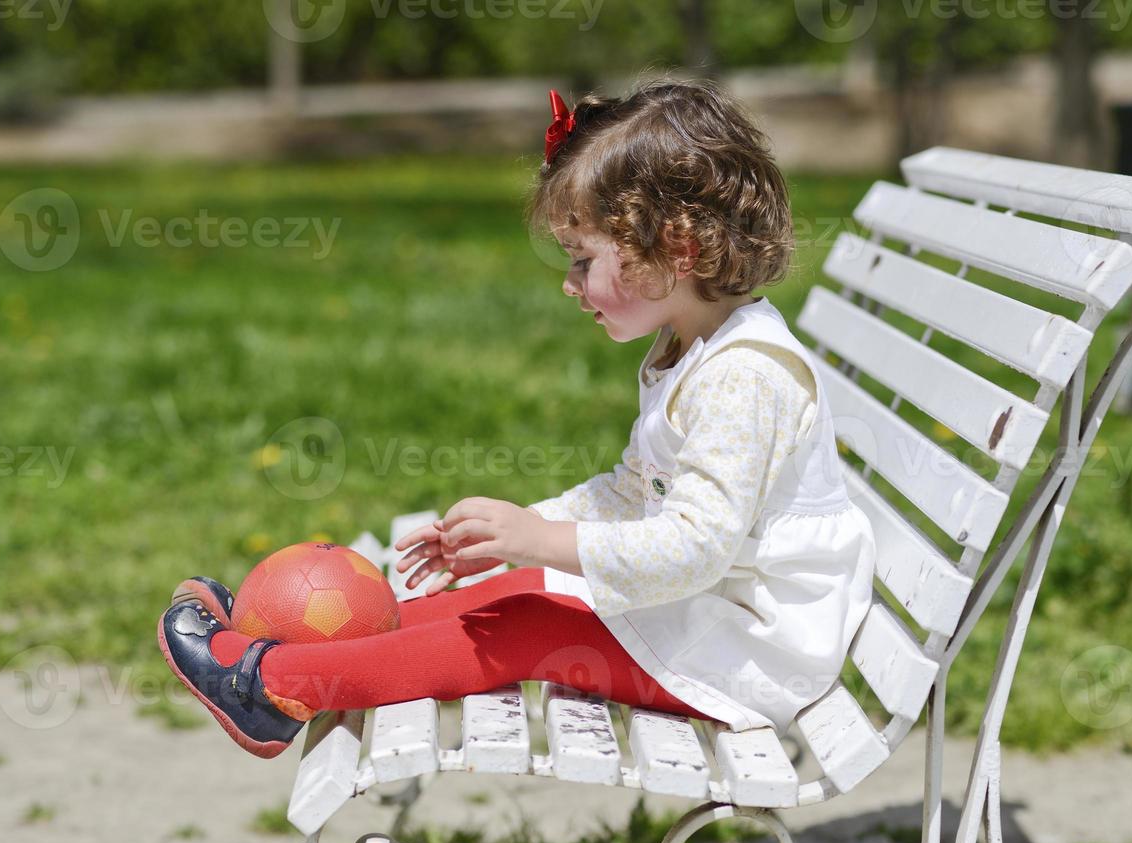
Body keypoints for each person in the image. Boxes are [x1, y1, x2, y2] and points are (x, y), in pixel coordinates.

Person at [157, 80, 877, 759]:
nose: (568, 285)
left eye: (582, 258)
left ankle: (273, 688)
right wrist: (513, 538)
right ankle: (295, 648)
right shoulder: (695, 348)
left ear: (678, 250)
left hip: (752, 653)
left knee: (530, 626)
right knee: (515, 594)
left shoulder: (743, 378)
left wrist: (540, 540)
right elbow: (633, 493)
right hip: (714, 618)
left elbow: (695, 549)